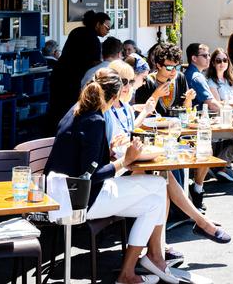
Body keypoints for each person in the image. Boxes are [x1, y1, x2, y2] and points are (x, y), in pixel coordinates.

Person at [44, 73, 173, 284]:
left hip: (63, 191)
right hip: (78, 199)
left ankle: (135, 268)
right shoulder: (95, 120)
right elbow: (90, 176)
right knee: (158, 186)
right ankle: (143, 263)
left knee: (154, 200)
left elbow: (85, 160)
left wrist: (110, 151)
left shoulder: (76, 110)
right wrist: (125, 161)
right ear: (113, 99)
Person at [104, 61, 231, 245]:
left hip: (130, 163)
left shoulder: (123, 108)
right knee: (162, 179)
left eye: (130, 82)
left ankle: (166, 243)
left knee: (164, 177)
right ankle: (195, 225)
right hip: (118, 170)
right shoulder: (107, 111)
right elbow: (111, 146)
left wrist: (145, 111)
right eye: (124, 82)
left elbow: (128, 131)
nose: (128, 87)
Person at [49, 10, 111, 129]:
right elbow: (93, 64)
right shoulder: (93, 39)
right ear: (98, 24)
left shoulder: (76, 31)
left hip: (59, 74)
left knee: (56, 109)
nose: (108, 31)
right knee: (68, 110)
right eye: (107, 27)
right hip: (72, 79)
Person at [134, 43, 191, 116]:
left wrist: (188, 99)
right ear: (159, 65)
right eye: (169, 68)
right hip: (153, 126)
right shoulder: (145, 82)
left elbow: (186, 110)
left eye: (177, 67)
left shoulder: (180, 77)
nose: (174, 71)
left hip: (176, 125)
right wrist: (156, 95)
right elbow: (142, 116)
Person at [184, 43, 220, 112]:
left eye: (209, 55)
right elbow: (212, 105)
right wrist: (230, 112)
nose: (209, 58)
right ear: (194, 58)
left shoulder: (189, 73)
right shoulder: (197, 77)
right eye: (205, 56)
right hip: (198, 118)